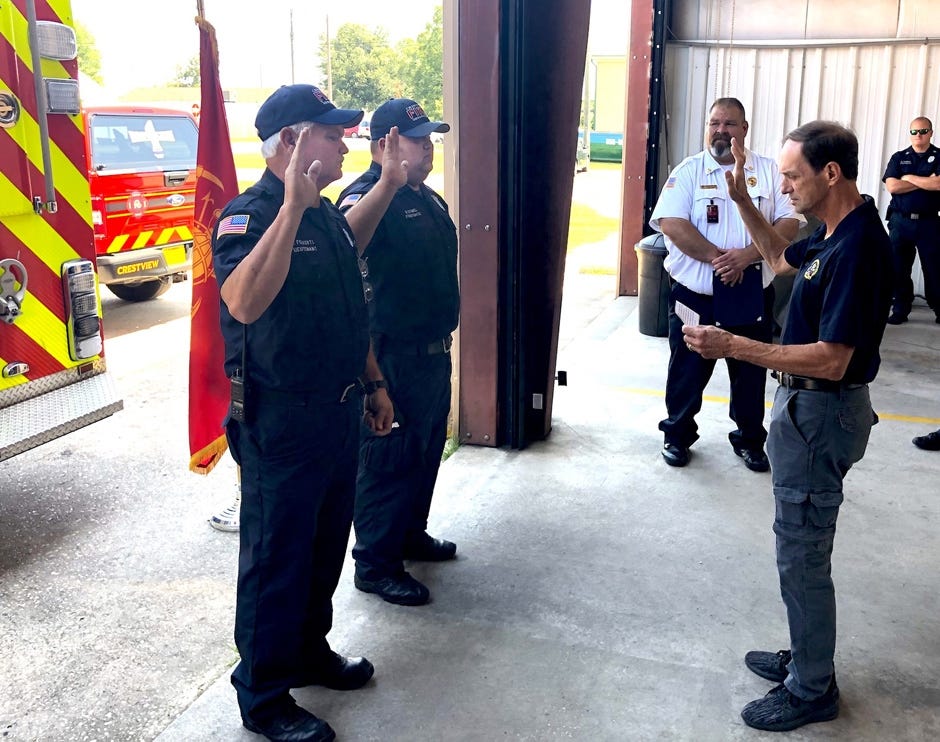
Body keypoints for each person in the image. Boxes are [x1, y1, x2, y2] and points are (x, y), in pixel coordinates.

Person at [685, 121, 893, 732]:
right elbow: (778, 260)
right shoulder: (832, 234)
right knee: (796, 548)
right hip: (807, 413)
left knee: (802, 556)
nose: (786, 187)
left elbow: (834, 358)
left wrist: (734, 346)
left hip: (822, 413)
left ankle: (812, 688)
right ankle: (807, 658)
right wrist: (745, 199)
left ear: (831, 174)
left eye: (792, 176)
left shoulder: (857, 248)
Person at [212, 83, 401, 742]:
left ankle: (310, 652)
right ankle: (263, 696)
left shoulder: (324, 217)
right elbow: (241, 301)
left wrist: (374, 384)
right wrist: (290, 210)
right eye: (329, 132)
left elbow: (352, 314)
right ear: (290, 144)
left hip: (338, 411)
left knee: (323, 547)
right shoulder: (252, 215)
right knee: (276, 560)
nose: (343, 141)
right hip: (279, 420)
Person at [337, 98, 459, 607]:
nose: (428, 146)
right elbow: (347, 246)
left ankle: (410, 533)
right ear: (385, 143)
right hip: (391, 355)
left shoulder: (427, 198)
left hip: (431, 351)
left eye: (430, 137)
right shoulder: (366, 196)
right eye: (417, 138)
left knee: (424, 450)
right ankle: (376, 562)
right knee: (387, 459)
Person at [649, 97, 799, 471]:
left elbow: (789, 224)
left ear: (744, 129)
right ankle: (677, 435)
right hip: (695, 297)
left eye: (729, 124)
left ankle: (749, 440)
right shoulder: (687, 172)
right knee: (686, 369)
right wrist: (721, 259)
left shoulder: (766, 171)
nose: (720, 131)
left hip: (750, 293)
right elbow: (672, 223)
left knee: (750, 370)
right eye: (714, 123)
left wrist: (746, 257)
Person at [882, 116, 940, 325]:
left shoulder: (939, 156)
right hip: (901, 222)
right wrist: (926, 180)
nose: (919, 136)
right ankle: (900, 309)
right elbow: (893, 187)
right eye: (914, 132)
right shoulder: (899, 158)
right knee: (899, 268)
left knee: (934, 268)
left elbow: (938, 185)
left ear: (931, 133)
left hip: (929, 223)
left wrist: (909, 178)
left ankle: (939, 308)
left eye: (923, 131)